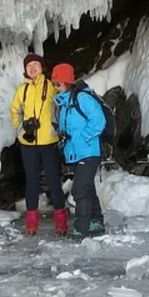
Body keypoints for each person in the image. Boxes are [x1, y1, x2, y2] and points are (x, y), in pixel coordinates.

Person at [9, 53, 67, 236]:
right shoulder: (22, 90)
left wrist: (56, 128)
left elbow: (61, 107)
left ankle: (61, 223)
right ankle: (32, 223)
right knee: (31, 182)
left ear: (42, 68)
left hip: (49, 142)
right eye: (29, 65)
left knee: (53, 181)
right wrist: (21, 130)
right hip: (28, 143)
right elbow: (15, 111)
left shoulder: (51, 86)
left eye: (36, 64)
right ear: (25, 70)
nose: (32, 68)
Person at [51, 63, 107, 239]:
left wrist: (83, 138)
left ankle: (81, 228)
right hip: (77, 153)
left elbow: (99, 121)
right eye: (54, 84)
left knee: (79, 190)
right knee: (87, 188)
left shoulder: (82, 99)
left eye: (58, 83)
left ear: (67, 82)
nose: (56, 87)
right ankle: (96, 222)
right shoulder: (65, 104)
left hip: (89, 152)